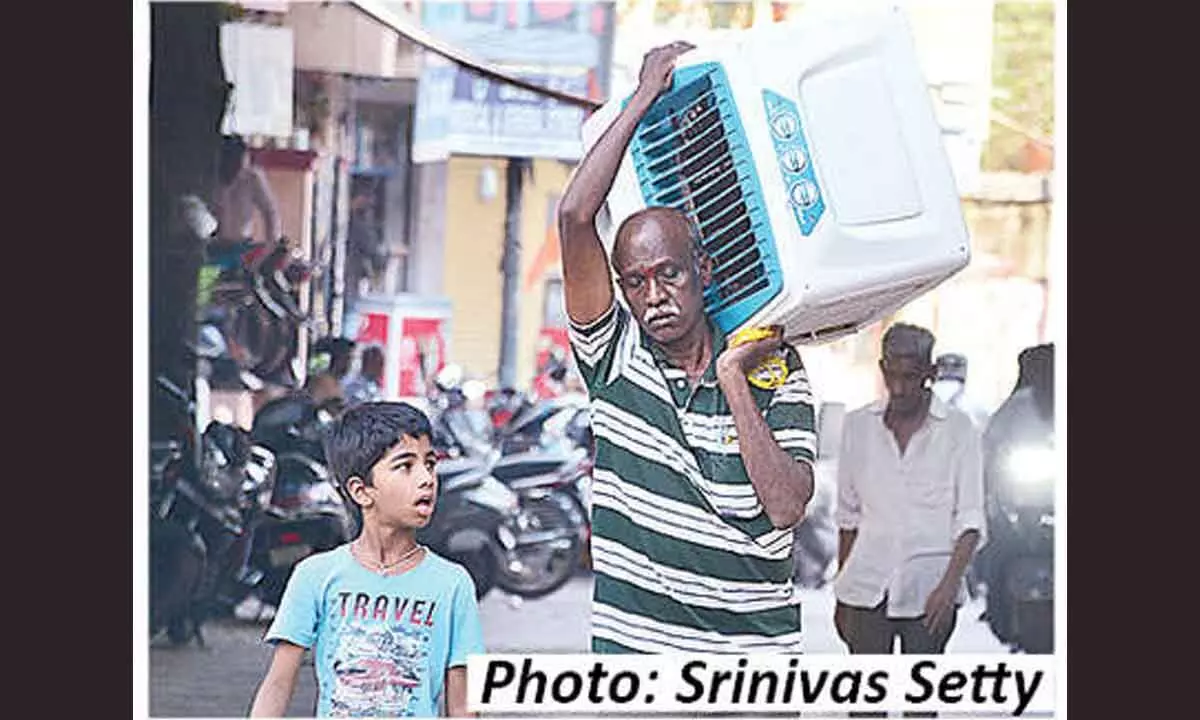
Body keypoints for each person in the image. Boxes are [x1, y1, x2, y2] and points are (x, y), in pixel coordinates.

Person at [557, 41, 816, 653]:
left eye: (669, 274)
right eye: (636, 283)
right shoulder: (612, 356)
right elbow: (574, 217)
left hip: (754, 664)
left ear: (702, 268)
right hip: (639, 664)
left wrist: (733, 378)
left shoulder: (772, 364)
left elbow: (785, 507)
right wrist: (644, 96)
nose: (654, 297)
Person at [249, 402, 484, 718]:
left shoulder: (453, 584)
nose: (427, 478)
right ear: (361, 491)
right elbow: (278, 684)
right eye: (405, 466)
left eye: (430, 464)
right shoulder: (315, 575)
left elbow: (463, 706)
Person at [832, 325, 985, 689]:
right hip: (866, 591)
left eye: (911, 377)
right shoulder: (857, 427)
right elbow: (848, 517)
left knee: (921, 704)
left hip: (929, 595)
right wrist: (842, 590)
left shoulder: (960, 431)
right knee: (866, 706)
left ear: (930, 375)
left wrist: (948, 590)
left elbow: (970, 521)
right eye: (893, 375)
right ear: (883, 369)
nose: (899, 387)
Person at [977, 343, 1054, 642]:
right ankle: (998, 608)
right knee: (998, 550)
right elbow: (990, 448)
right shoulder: (1015, 408)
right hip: (1023, 506)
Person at [210, 135, 283, 273]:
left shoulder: (252, 178)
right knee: (205, 290)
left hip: (241, 248)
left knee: (242, 289)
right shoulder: (213, 178)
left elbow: (270, 211)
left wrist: (271, 243)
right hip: (213, 247)